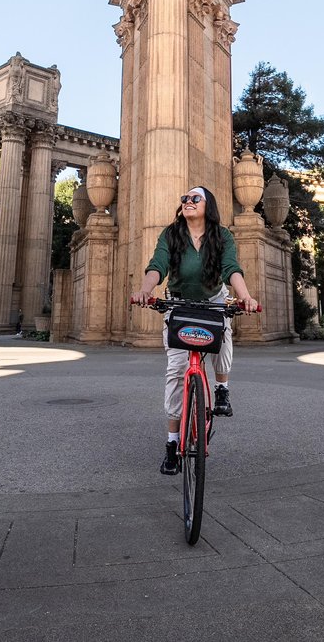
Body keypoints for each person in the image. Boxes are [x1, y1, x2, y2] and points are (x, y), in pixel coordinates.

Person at [130, 186, 258, 476]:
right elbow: (157, 265)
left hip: (212, 301)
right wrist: (145, 290)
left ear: (207, 205)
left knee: (223, 336)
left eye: (194, 198)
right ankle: (172, 444)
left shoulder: (221, 235)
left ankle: (222, 388)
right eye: (184, 199)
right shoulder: (172, 234)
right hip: (179, 303)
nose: (187, 202)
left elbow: (231, 268)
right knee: (176, 371)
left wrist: (245, 296)